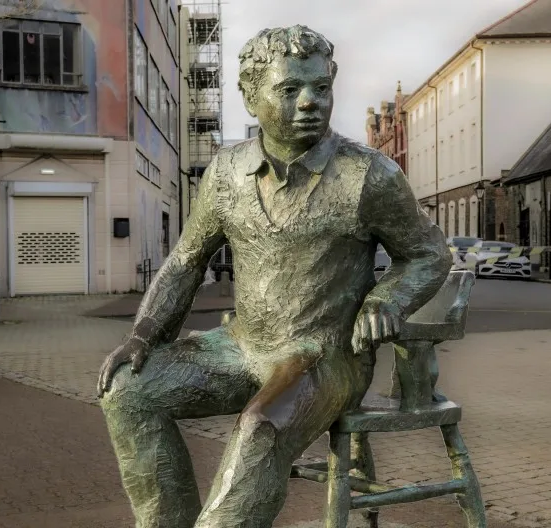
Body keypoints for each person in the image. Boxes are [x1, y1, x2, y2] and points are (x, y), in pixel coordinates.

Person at [97, 25, 452, 528]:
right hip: (239, 347)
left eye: (321, 88)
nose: (311, 102)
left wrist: (386, 301)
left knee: (260, 427)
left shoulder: (369, 175)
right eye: (290, 90)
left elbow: (428, 254)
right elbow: (187, 260)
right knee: (128, 391)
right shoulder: (225, 173)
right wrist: (144, 334)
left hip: (324, 358)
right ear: (250, 97)